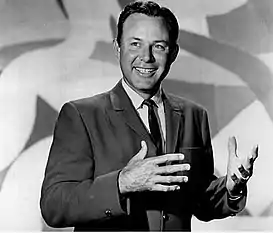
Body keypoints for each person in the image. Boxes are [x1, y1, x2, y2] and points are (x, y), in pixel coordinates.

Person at [40, 1, 258, 231]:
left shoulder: (194, 116)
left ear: (173, 53)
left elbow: (200, 202)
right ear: (117, 48)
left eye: (159, 46)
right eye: (135, 44)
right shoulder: (81, 115)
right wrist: (122, 183)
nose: (146, 57)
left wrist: (231, 188)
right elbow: (54, 206)